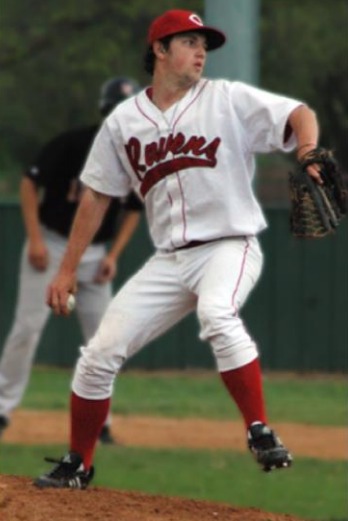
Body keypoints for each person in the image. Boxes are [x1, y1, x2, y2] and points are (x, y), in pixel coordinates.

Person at [33, 9, 322, 488]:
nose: (201, 52)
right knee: (98, 353)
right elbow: (98, 194)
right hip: (169, 259)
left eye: (204, 44)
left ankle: (259, 429)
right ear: (159, 52)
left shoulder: (226, 99)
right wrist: (65, 271)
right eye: (188, 42)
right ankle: (79, 464)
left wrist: (308, 148)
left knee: (217, 314)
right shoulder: (125, 121)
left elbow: (298, 113)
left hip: (229, 246)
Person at [0, 77, 143, 445]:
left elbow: (133, 209)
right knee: (27, 328)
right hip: (50, 244)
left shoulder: (135, 157)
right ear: (104, 111)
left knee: (105, 339)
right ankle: (1, 406)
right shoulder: (73, 144)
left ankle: (101, 421)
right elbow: (30, 184)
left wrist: (113, 254)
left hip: (95, 254)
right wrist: (33, 238)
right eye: (115, 109)